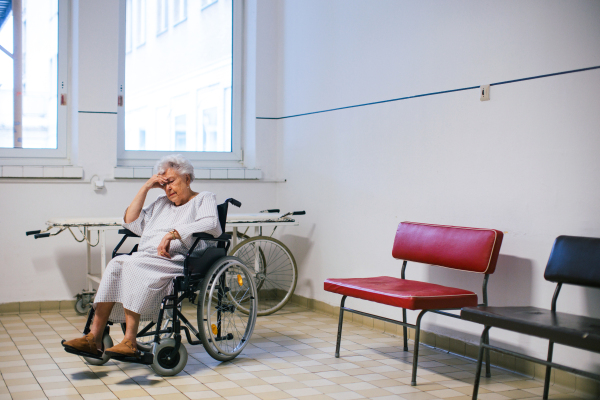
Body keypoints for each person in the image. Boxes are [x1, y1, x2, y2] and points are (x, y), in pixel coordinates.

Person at [62, 154, 221, 358]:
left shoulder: (203, 198)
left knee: (132, 265)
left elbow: (211, 225)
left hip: (178, 260)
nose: (168, 189)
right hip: (147, 258)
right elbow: (130, 221)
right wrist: (146, 187)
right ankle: (94, 336)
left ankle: (130, 341)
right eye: (164, 185)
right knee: (116, 263)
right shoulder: (162, 203)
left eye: (171, 182)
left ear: (187, 179)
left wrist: (173, 234)